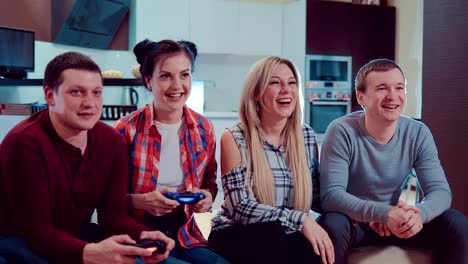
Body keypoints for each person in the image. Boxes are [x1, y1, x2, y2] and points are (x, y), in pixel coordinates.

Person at [0, 51, 175, 264]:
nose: (90, 103)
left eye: (97, 93)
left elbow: (113, 216)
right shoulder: (24, 143)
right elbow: (37, 231)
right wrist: (90, 253)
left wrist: (144, 235)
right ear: (50, 96)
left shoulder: (111, 141)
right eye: (77, 92)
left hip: (75, 237)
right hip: (18, 242)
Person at [319, 58, 468, 264]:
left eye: (399, 87)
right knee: (332, 223)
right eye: (382, 88)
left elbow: (440, 191)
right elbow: (331, 196)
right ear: (361, 97)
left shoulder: (418, 132)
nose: (393, 96)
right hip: (358, 225)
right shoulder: (341, 131)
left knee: (456, 222)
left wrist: (419, 215)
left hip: (400, 223)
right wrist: (383, 214)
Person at [208, 56, 335, 264]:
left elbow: (318, 196)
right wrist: (301, 219)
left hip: (286, 233)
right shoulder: (234, 138)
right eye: (275, 82)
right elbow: (241, 208)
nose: (286, 89)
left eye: (292, 83)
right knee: (272, 235)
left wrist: (360, 209)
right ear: (257, 93)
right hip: (236, 233)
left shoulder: (306, 136)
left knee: (316, 244)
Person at [114, 39, 229, 264]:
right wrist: (141, 201)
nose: (177, 86)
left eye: (184, 75)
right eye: (166, 76)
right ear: (148, 81)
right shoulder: (126, 130)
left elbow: (210, 184)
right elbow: (105, 199)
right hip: (138, 237)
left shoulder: (203, 128)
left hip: (185, 236)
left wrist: (206, 198)